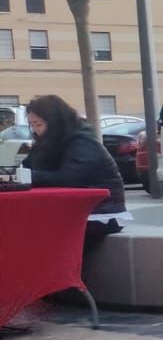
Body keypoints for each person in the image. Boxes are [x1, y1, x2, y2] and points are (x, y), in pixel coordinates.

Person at [22, 96, 129, 253]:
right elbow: (27, 166)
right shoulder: (46, 143)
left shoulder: (82, 142)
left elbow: (69, 179)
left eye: (39, 124)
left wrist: (28, 176)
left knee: (40, 239)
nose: (36, 130)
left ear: (55, 123)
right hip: (70, 212)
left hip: (101, 214)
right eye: (32, 125)